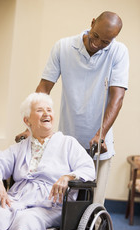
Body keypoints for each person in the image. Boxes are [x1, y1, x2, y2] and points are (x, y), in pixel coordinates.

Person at [15, 11, 129, 206]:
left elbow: (117, 98)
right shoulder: (63, 47)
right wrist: (31, 127)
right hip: (67, 141)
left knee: (93, 206)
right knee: (62, 205)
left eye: (105, 42)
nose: (97, 44)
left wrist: (101, 133)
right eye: (95, 36)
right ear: (92, 23)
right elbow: (44, 88)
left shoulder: (118, 52)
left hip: (99, 143)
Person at [0, 93, 95, 230]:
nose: (46, 113)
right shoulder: (20, 147)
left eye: (49, 110)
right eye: (40, 110)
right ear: (27, 120)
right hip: (16, 200)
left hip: (50, 205)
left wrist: (67, 177)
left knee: (26, 221)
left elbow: (88, 168)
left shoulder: (68, 143)